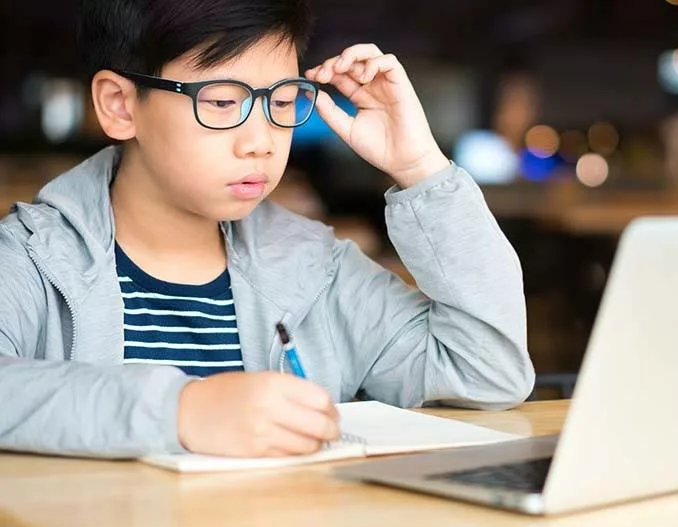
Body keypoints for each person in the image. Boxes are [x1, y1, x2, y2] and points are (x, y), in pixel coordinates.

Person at [0, 0, 534, 459]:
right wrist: (180, 411)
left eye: (280, 101)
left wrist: (420, 167)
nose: (261, 140)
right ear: (119, 105)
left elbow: (486, 373)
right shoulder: (31, 259)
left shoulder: (318, 270)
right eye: (222, 102)